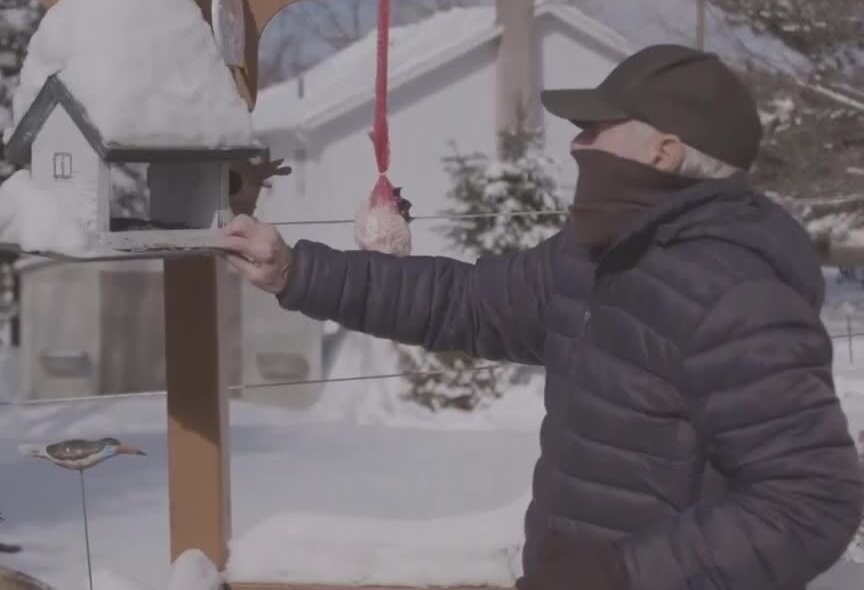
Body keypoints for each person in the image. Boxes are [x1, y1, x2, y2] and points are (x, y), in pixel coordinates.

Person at [215, 44, 864, 590]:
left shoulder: (737, 293)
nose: (578, 142)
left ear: (664, 152)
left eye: (598, 127)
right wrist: (296, 273)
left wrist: (624, 574)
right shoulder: (598, 258)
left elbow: (812, 500)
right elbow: (464, 301)